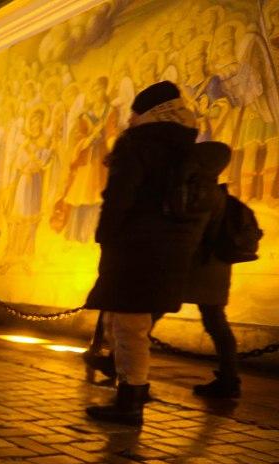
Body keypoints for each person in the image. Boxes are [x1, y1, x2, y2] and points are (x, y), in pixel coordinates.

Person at [84, 81, 231, 425]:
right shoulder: (187, 150)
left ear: (147, 113)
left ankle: (130, 401)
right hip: (171, 253)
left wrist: (106, 237)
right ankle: (131, 391)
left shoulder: (138, 146)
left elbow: (118, 199)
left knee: (128, 327)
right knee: (132, 325)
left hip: (134, 248)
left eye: (134, 112)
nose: (131, 119)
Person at [183, 185, 241, 398]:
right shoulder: (228, 200)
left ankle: (120, 364)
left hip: (199, 267)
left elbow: (191, 233)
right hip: (219, 270)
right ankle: (229, 379)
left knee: (152, 310)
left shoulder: (203, 196)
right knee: (217, 323)